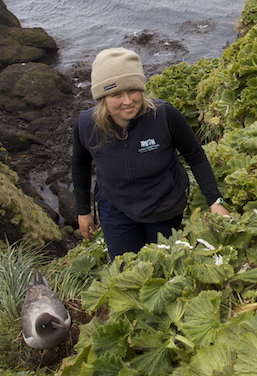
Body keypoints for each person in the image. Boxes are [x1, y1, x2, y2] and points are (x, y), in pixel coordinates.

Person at [71, 47, 229, 260]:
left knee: (164, 264)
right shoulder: (86, 124)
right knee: (125, 270)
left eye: (133, 90)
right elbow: (80, 165)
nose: (127, 101)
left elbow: (195, 156)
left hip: (164, 206)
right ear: (102, 97)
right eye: (116, 94)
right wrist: (83, 211)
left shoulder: (163, 115)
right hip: (116, 209)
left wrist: (215, 201)